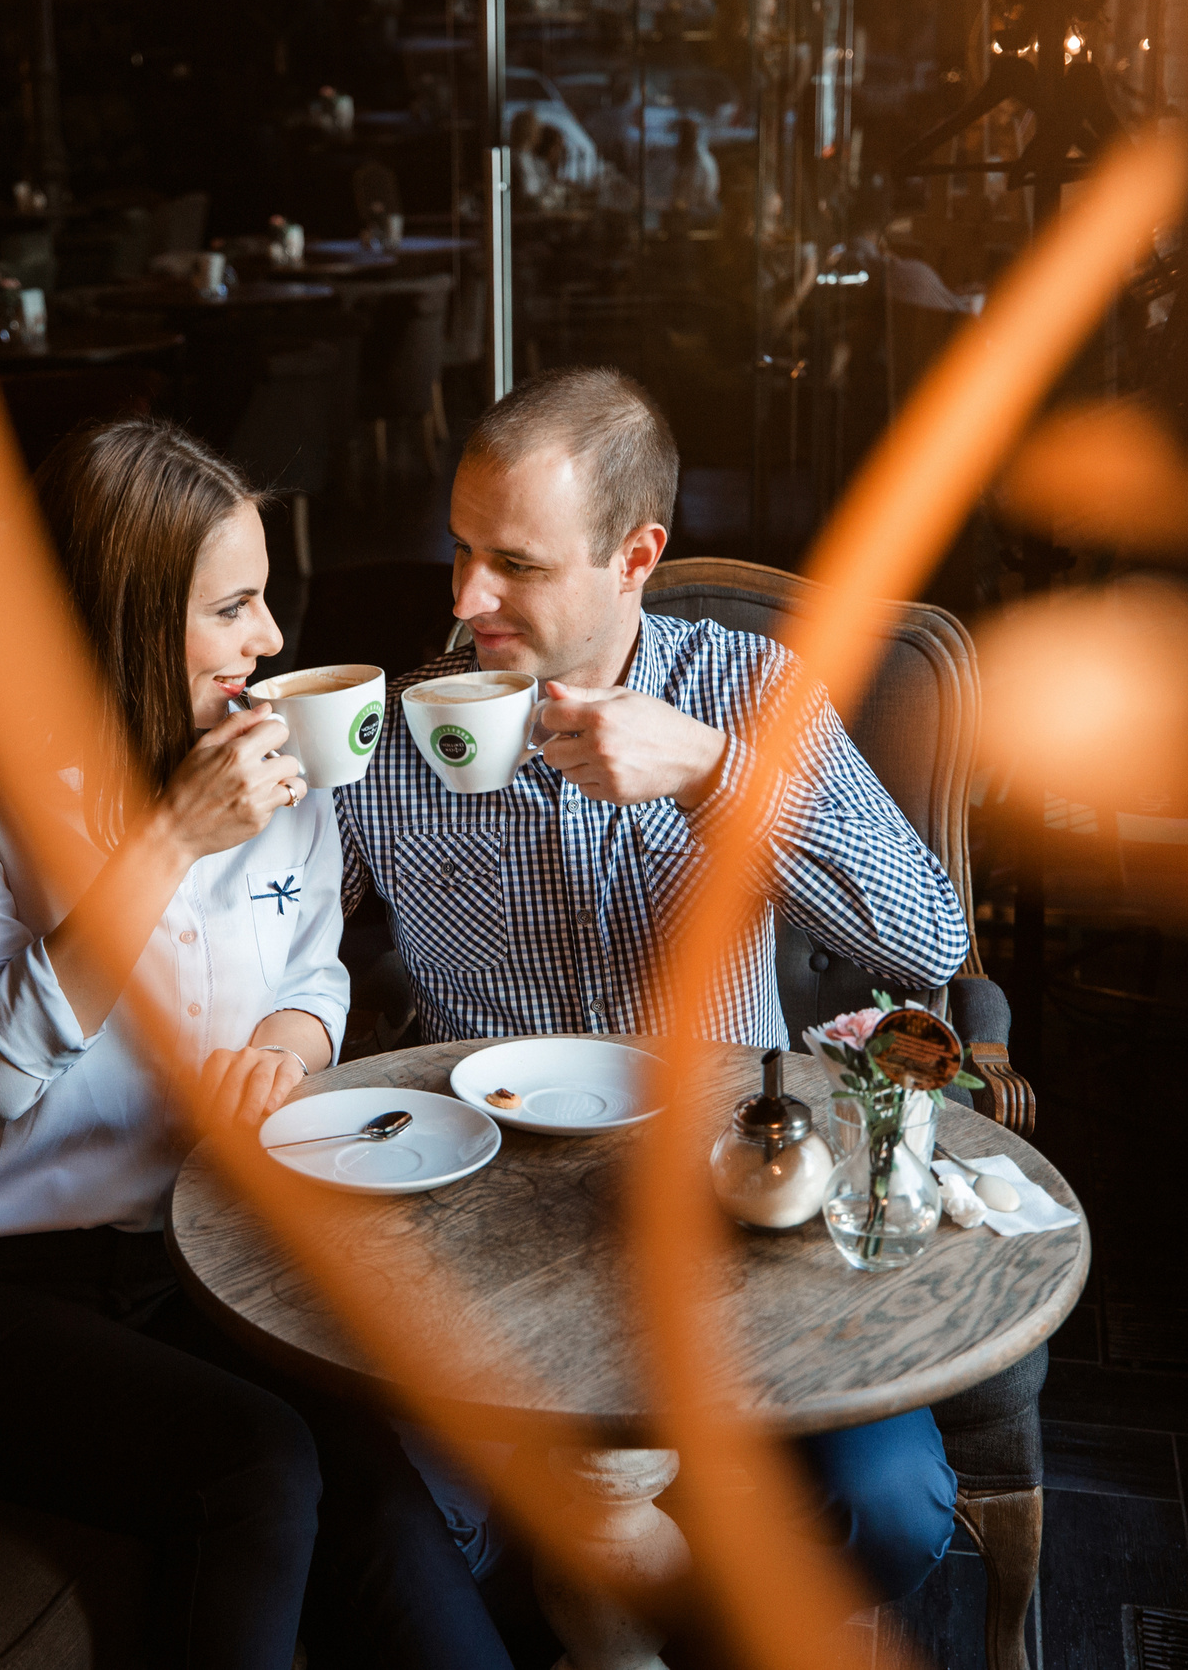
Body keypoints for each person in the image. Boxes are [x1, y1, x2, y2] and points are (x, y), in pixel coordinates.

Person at [0, 418, 510, 1670]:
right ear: (124, 616)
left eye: (265, 602)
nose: (269, 639)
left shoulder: (284, 767)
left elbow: (313, 967)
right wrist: (168, 840)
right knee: (256, 1463)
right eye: (234, 607)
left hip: (203, 1262)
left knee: (374, 1473)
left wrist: (289, 1042)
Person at [331, 365, 974, 1605]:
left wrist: (711, 776)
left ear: (635, 556)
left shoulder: (745, 695)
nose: (467, 600)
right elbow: (250, 934)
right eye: (460, 552)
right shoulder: (399, 737)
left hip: (737, 1206)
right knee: (404, 1530)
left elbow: (927, 941)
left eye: (516, 564)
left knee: (891, 1510)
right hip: (491, 1232)